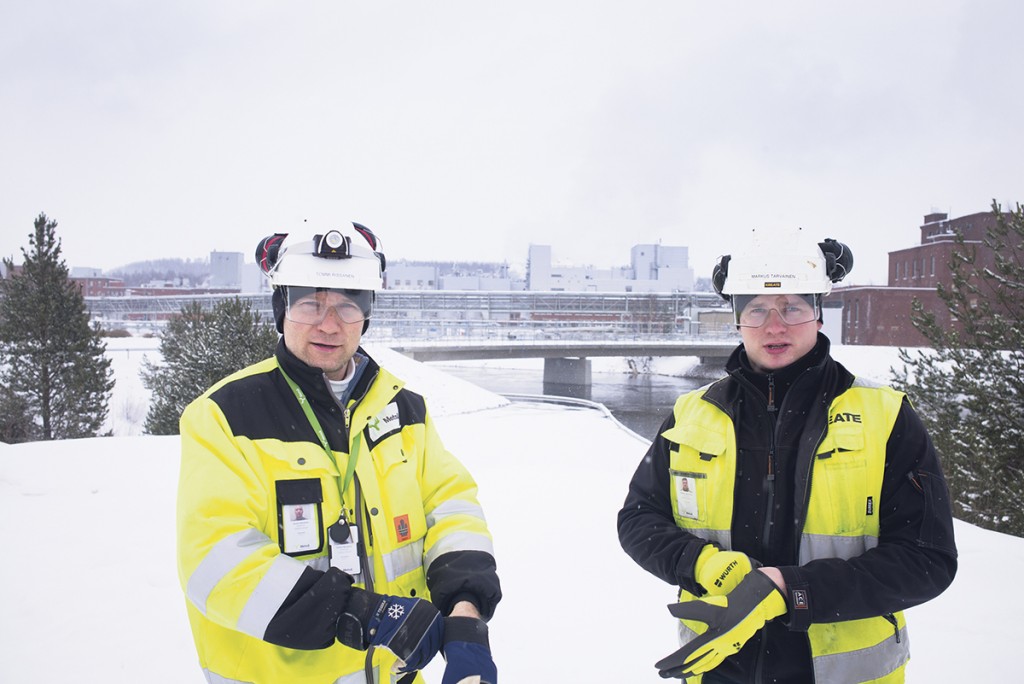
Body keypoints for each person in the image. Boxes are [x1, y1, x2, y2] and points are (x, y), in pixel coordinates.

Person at [617, 230, 957, 683]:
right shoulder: (691, 414)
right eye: (756, 309)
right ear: (737, 320)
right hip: (719, 669)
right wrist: (707, 565)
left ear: (818, 315)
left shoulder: (886, 417)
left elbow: (926, 558)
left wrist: (792, 591)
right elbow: (639, 518)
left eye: (792, 307)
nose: (774, 326)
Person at [177, 222, 501, 684]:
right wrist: (357, 611)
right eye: (311, 303)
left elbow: (452, 508)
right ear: (281, 308)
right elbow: (215, 559)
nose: (329, 324)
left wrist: (465, 612)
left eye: (348, 305)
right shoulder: (226, 417)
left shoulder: (402, 410)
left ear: (366, 315)